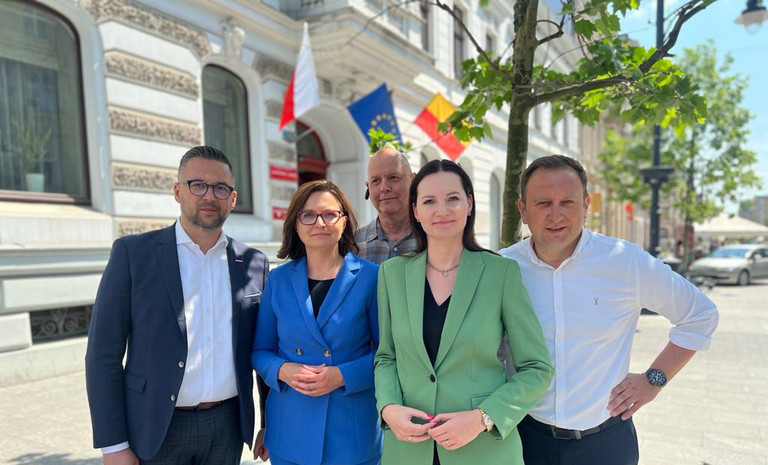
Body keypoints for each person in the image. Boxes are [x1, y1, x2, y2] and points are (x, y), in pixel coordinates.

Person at [499, 154, 719, 465]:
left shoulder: (624, 261)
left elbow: (700, 315)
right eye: (543, 203)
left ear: (586, 206)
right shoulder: (503, 267)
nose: (556, 215)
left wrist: (653, 380)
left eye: (568, 202)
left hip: (606, 444)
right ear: (523, 210)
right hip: (524, 440)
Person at [85, 146, 269, 465]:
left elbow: (264, 347)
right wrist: (113, 444)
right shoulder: (133, 254)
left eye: (220, 188)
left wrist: (267, 422)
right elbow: (103, 354)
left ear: (233, 199)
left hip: (227, 427)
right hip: (156, 426)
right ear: (177, 191)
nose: (209, 195)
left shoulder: (253, 262)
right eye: (197, 185)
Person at [374, 159, 553, 465]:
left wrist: (482, 418)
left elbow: (537, 369)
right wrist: (388, 407)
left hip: (482, 449)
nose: (441, 210)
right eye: (429, 201)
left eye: (453, 198)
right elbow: (386, 357)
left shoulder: (501, 273)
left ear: (469, 204)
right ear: (415, 210)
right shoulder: (392, 274)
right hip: (407, 448)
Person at [252, 180, 382, 465]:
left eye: (329, 214)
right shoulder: (278, 279)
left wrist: (342, 375)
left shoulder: (371, 277)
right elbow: (261, 350)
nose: (319, 223)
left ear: (344, 221)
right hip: (290, 429)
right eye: (308, 215)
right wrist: (283, 370)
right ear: (296, 224)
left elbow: (387, 354)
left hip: (351, 432)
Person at [356, 146, 418, 263]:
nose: (384, 188)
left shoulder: (433, 237)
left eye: (394, 177)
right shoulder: (353, 244)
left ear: (413, 180)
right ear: (368, 187)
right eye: (376, 181)